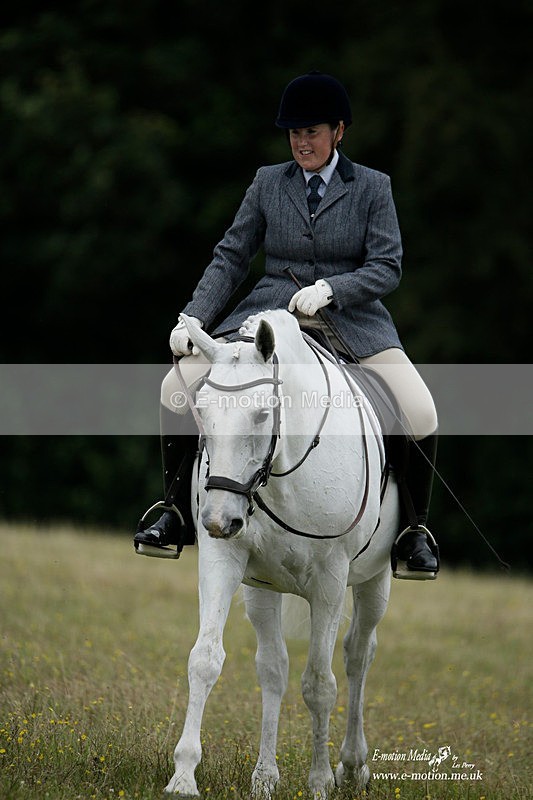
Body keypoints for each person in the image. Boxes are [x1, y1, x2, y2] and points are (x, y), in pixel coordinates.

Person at [134, 71, 439, 579]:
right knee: (175, 386)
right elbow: (232, 255)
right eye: (294, 133)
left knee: (420, 408)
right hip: (268, 318)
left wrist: (332, 291)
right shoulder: (267, 183)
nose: (302, 142)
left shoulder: (371, 187)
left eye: (312, 131)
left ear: (339, 131)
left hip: (353, 323)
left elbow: (387, 266)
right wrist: (194, 316)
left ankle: (413, 531)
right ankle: (174, 512)